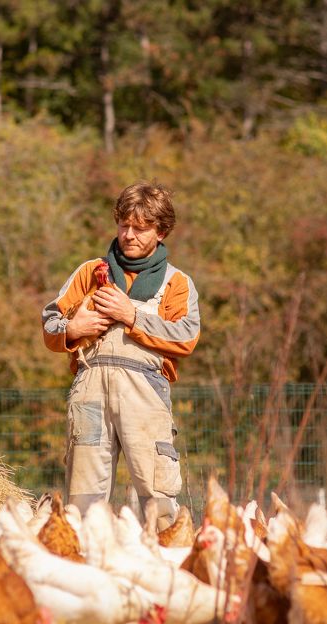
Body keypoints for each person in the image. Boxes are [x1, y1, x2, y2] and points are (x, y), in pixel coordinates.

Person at [41, 182, 201, 529]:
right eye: (123, 225)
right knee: (82, 503)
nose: (128, 235)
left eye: (140, 228)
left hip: (146, 395)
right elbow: (50, 324)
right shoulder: (89, 272)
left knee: (158, 501)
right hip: (89, 391)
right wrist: (73, 329)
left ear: (161, 232)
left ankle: (163, 572)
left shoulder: (177, 283)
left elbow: (187, 337)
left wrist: (132, 316)